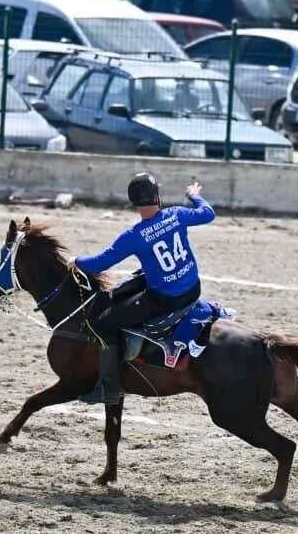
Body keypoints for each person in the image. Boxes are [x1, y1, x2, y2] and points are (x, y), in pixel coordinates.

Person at [68, 172, 215, 404]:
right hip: (193, 289)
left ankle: (110, 388)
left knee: (104, 324)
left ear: (134, 204)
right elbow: (208, 213)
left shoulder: (133, 236)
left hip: (165, 299)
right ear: (157, 196)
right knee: (132, 283)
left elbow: (100, 263)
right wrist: (194, 196)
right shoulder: (177, 214)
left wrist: (76, 261)